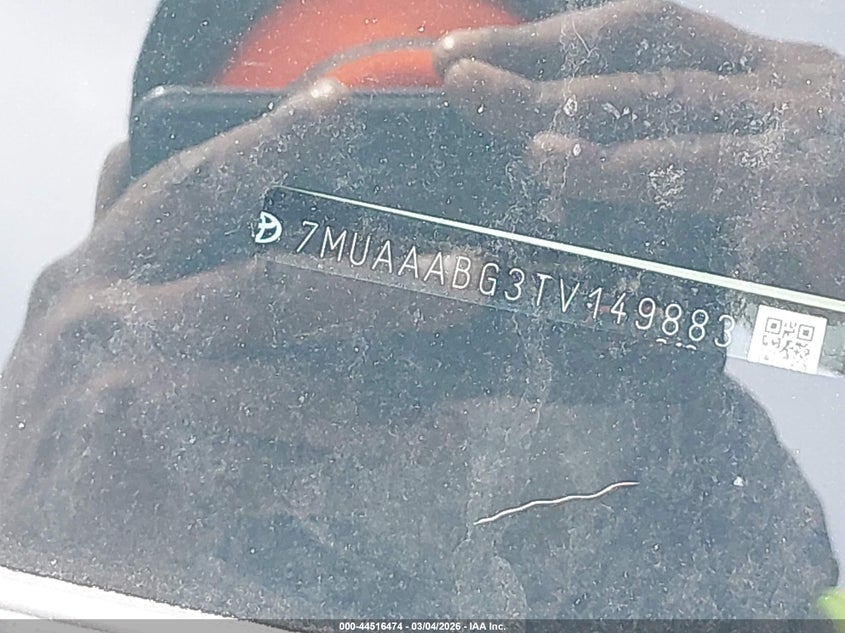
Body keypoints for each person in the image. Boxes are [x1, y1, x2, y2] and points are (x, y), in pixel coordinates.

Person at [0, 0, 841, 619]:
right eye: (313, 226)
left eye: (495, 209)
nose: (424, 296)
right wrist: (36, 564)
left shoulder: (742, 559)